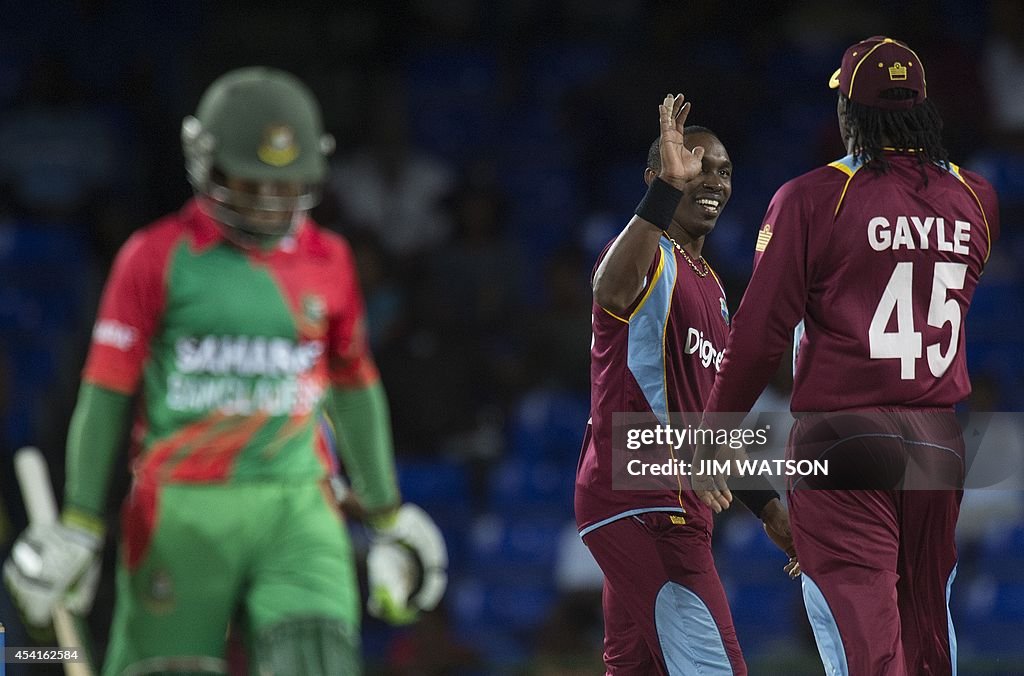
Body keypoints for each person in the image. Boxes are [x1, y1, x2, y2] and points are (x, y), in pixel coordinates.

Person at [3, 66, 447, 675]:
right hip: (180, 505)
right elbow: (107, 391)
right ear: (206, 166)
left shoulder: (331, 260)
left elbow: (353, 388)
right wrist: (80, 524)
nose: (269, 203)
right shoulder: (154, 256)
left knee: (316, 659)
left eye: (285, 186)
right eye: (251, 182)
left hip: (298, 503)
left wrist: (387, 515)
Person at [695, 37, 1000, 675]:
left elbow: (758, 336)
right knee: (927, 642)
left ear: (852, 116)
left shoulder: (812, 197)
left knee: (865, 650)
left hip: (843, 439)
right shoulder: (977, 200)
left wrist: (712, 432)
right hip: (938, 440)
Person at [575, 93, 798, 676]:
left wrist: (768, 506)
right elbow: (609, 293)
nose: (712, 180)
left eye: (723, 171)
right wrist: (664, 195)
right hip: (643, 498)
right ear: (659, 176)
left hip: (669, 502)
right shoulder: (651, 256)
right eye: (695, 166)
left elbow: (712, 419)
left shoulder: (713, 286)